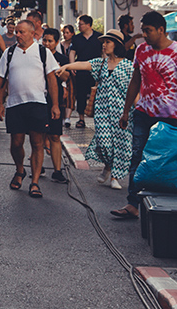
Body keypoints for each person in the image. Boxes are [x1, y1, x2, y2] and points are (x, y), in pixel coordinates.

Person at [111, 12, 177, 219]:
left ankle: (170, 204)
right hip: (143, 113)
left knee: (169, 161)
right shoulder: (141, 50)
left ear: (161, 30)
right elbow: (135, 80)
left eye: (148, 30)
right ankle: (133, 203)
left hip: (171, 117)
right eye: (143, 30)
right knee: (138, 157)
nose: (145, 35)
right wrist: (126, 111)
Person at [57, 29, 132, 190]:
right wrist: (67, 66)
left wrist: (136, 109)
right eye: (103, 42)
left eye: (108, 42)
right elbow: (83, 64)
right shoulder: (101, 63)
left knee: (120, 144)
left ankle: (114, 176)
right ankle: (108, 166)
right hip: (102, 112)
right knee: (104, 143)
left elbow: (134, 90)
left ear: (117, 45)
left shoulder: (128, 66)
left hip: (121, 112)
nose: (104, 45)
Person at [0, 20, 60, 199]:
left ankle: (35, 182)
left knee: (37, 143)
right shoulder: (9, 53)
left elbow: (52, 80)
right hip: (15, 104)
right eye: (16, 32)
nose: (17, 35)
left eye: (21, 32)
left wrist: (55, 104)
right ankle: (20, 169)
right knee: (16, 143)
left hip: (37, 103)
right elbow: (1, 80)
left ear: (32, 33)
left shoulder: (42, 52)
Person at [41, 28, 69, 184]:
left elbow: (66, 77)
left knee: (55, 135)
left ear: (56, 42)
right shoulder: (38, 56)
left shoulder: (61, 58)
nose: (46, 43)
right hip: (39, 98)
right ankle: (38, 167)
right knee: (38, 135)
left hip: (55, 100)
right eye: (44, 40)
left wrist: (58, 68)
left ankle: (57, 171)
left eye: (50, 41)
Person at [69, 15, 102, 129]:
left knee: (97, 94)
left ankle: (98, 118)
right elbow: (72, 52)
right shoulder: (76, 38)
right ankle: (81, 118)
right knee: (81, 94)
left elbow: (103, 53)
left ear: (88, 25)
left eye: (80, 24)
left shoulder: (99, 37)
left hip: (96, 69)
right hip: (81, 70)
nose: (79, 26)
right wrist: (72, 66)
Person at [59, 24, 77, 127]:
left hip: (71, 72)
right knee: (62, 94)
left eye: (67, 33)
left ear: (72, 33)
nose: (65, 35)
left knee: (71, 94)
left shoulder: (75, 44)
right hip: (61, 71)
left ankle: (67, 118)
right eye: (64, 33)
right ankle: (62, 116)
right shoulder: (60, 44)